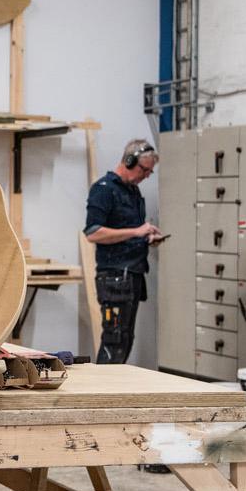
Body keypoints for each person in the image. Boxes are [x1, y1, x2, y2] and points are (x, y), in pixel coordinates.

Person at [84, 138, 165, 365]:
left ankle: (113, 396)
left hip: (132, 275)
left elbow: (129, 232)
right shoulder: (104, 190)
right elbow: (93, 233)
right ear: (129, 161)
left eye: (150, 172)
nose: (146, 175)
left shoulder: (132, 192)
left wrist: (146, 238)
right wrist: (136, 231)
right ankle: (100, 396)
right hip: (115, 278)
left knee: (125, 340)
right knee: (114, 340)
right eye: (144, 170)